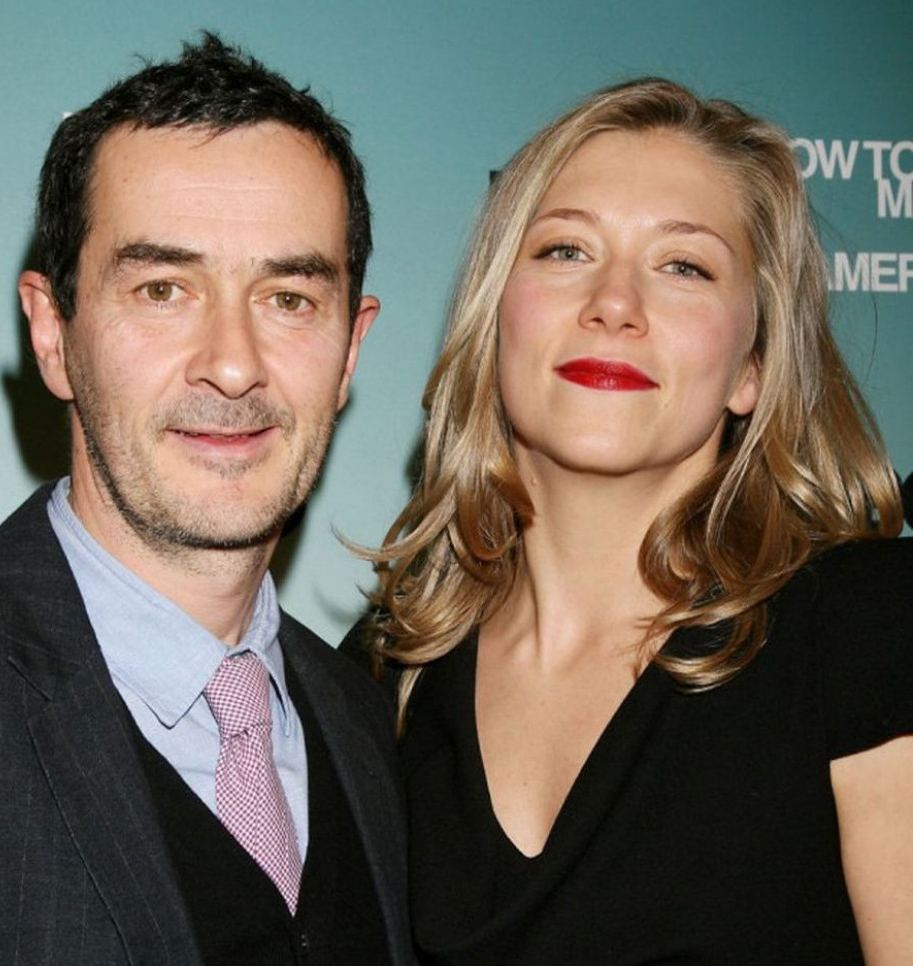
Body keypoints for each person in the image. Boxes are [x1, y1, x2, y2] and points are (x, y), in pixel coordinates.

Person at [351, 79, 913, 964]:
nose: (614, 302)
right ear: (496, 320)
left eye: (684, 266)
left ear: (753, 368)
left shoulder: (868, 627)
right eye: (566, 249)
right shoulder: (382, 673)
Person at [0, 34, 414, 965]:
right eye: (164, 289)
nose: (232, 364)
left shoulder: (372, 723)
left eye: (289, 298)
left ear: (351, 350)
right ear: (53, 333)